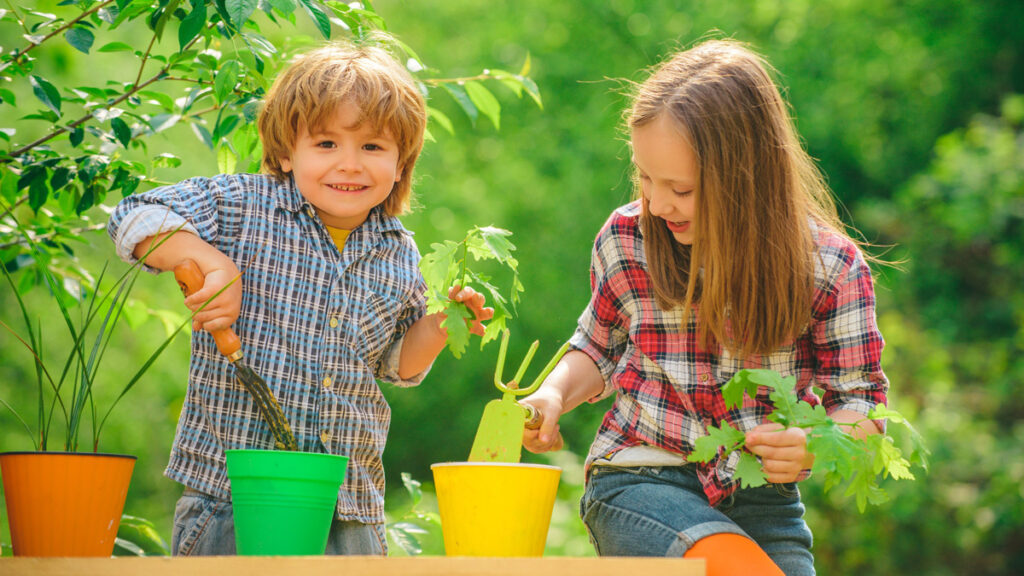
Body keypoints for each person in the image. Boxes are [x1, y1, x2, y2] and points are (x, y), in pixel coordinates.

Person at [107, 39, 491, 556]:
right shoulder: (242, 205)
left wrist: (440, 328)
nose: (350, 164)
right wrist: (210, 261)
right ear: (287, 152)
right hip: (234, 497)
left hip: (347, 504)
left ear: (402, 163)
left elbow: (394, 364)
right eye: (327, 144)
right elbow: (135, 215)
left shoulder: (399, 251)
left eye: (372, 147)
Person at [521, 39, 889, 576]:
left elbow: (865, 405)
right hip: (640, 479)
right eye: (645, 178)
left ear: (747, 178)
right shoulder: (627, 240)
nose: (657, 203)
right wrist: (552, 393)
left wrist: (812, 444)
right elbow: (598, 351)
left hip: (764, 499)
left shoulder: (829, 267)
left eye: (681, 188)